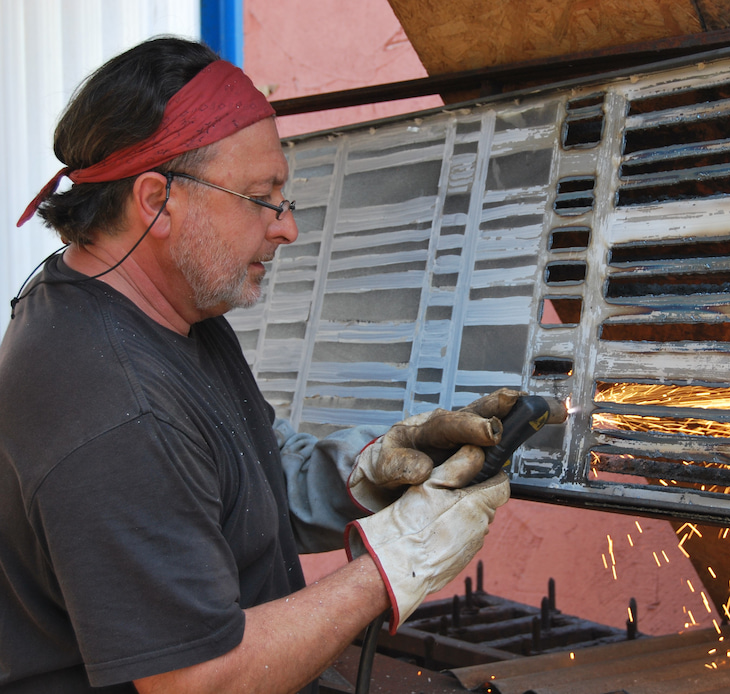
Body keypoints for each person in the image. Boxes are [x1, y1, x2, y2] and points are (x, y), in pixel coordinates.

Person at [0, 37, 514, 693]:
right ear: (158, 201)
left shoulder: (172, 311)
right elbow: (198, 682)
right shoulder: (109, 402)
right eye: (262, 197)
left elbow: (236, 482)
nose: (286, 228)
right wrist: (397, 563)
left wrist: (373, 474)